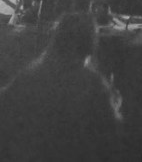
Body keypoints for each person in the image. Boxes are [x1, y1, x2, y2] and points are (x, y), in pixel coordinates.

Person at [0, 11, 123, 162]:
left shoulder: (28, 77)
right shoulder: (93, 86)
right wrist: (112, 105)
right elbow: (111, 139)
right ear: (90, 45)